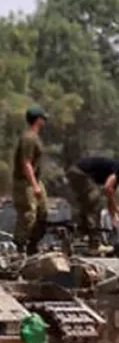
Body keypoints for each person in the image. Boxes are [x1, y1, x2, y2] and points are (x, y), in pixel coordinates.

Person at [65, 157, 119, 247]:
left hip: (74, 172)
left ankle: (82, 234)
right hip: (80, 173)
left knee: (86, 206)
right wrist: (116, 208)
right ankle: (94, 242)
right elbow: (107, 188)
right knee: (95, 202)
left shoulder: (116, 172)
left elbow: (109, 197)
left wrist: (114, 218)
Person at [12, 105, 49, 255]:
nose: (44, 121)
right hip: (25, 182)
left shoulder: (35, 137)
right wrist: (34, 185)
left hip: (35, 180)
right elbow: (26, 163)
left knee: (43, 213)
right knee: (28, 215)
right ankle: (19, 247)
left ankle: (33, 246)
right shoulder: (28, 138)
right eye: (43, 118)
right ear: (38, 120)